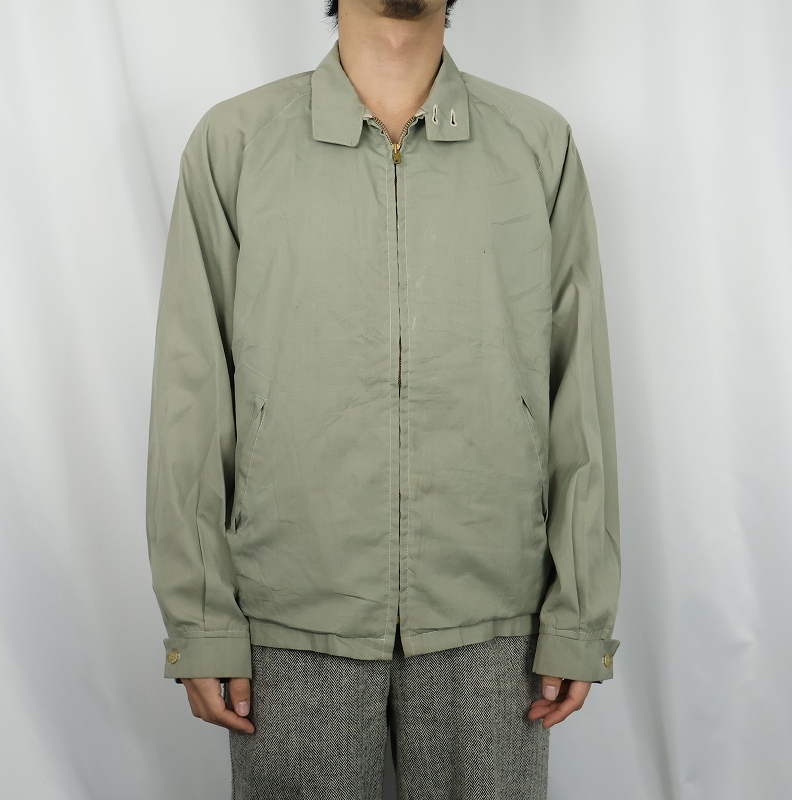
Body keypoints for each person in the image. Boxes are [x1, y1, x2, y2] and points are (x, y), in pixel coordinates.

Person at [145, 1, 622, 797]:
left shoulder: (537, 145)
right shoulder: (236, 144)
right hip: (290, 614)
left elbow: (580, 393)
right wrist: (200, 621)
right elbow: (190, 394)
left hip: (495, 618)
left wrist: (579, 616)